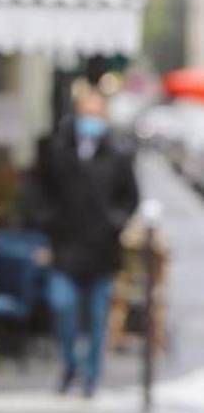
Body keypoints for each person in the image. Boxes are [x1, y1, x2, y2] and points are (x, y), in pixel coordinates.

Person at [32, 85, 139, 397]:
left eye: (96, 114)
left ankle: (91, 376)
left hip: (102, 250)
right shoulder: (58, 149)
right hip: (65, 247)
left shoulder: (119, 153)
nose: (90, 120)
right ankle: (70, 365)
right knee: (63, 307)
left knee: (96, 318)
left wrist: (114, 222)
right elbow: (39, 190)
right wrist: (48, 222)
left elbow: (130, 197)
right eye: (85, 113)